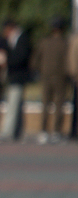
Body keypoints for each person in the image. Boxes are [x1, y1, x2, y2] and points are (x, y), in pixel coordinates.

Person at [32, 16, 70, 144]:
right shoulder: (65, 43)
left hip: (46, 77)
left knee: (45, 104)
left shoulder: (44, 42)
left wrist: (41, 70)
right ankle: (57, 132)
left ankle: (43, 131)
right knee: (59, 105)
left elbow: (35, 61)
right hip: (61, 77)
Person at [0, 19, 31, 143]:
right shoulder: (11, 40)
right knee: (16, 105)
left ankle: (7, 132)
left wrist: (7, 61)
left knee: (13, 105)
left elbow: (22, 56)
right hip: (13, 76)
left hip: (18, 76)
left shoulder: (22, 38)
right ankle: (18, 131)